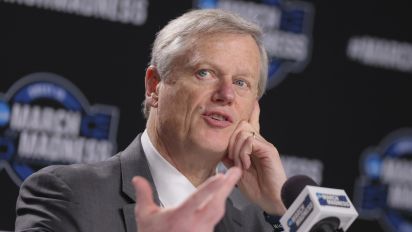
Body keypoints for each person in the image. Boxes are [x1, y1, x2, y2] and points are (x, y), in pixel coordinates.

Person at [15, 9, 287, 232]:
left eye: (241, 82)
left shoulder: (257, 224)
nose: (226, 94)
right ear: (154, 86)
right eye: (205, 73)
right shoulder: (68, 194)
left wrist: (280, 208)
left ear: (253, 109)